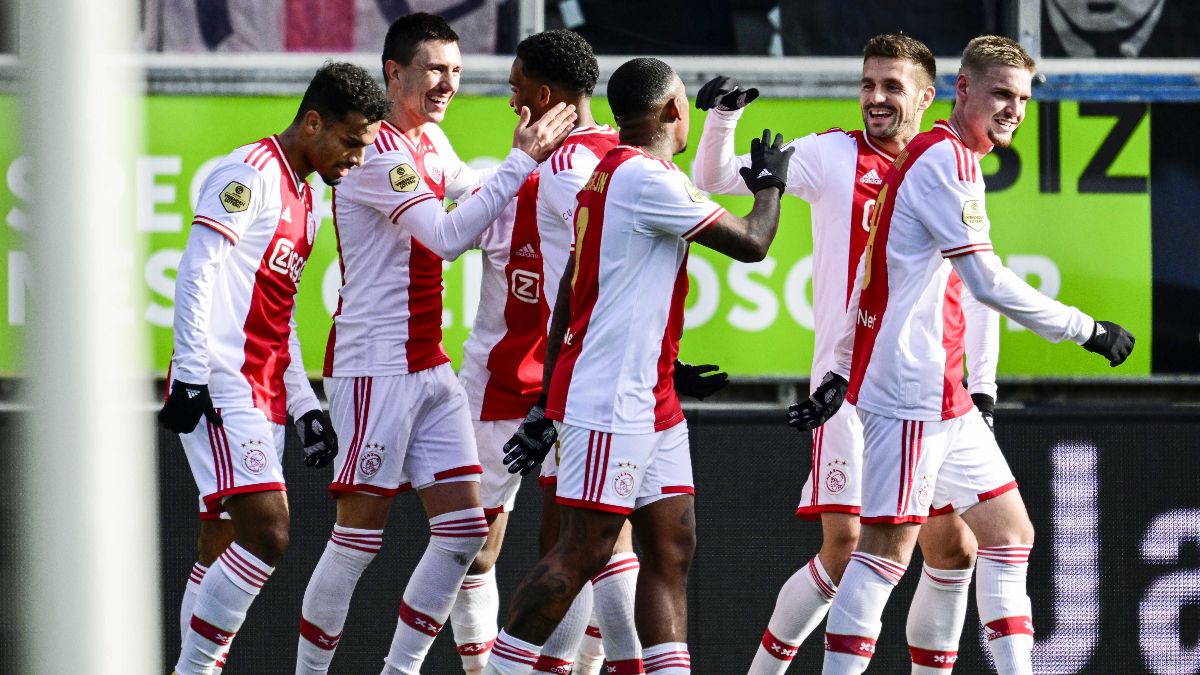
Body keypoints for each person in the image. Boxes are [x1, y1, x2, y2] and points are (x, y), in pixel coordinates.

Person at [789, 35, 1134, 674]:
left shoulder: (956, 159)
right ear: (962, 91)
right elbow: (986, 283)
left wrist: (849, 367)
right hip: (910, 390)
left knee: (1009, 536)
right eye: (1002, 94)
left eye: (1023, 99)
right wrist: (1086, 330)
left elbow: (877, 274)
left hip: (944, 392)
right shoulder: (942, 161)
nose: (1014, 110)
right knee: (883, 556)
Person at [692, 34, 995, 673]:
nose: (877, 98)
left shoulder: (950, 164)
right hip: (849, 388)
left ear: (927, 96)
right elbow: (715, 180)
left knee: (954, 549)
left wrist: (984, 387)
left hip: (929, 390)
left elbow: (974, 284)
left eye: (892, 86)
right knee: (849, 545)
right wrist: (722, 120)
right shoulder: (833, 154)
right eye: (868, 84)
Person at [482, 56, 790, 675]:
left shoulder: (612, 172)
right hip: (611, 400)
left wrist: (558, 392)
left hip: (651, 399)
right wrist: (769, 185)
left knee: (671, 550)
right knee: (582, 550)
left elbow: (573, 286)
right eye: (684, 109)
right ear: (675, 111)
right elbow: (754, 243)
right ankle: (505, 667)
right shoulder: (648, 179)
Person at [293, 13, 576, 675]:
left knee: (464, 533)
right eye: (434, 70)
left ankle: (406, 669)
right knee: (356, 541)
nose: (449, 82)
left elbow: (476, 193)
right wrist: (519, 162)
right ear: (395, 74)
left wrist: (548, 177)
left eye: (455, 69)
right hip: (374, 368)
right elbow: (447, 238)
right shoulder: (378, 149)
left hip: (429, 366)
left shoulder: (429, 141)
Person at [160, 61, 390, 675]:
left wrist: (305, 404)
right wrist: (188, 373)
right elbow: (197, 269)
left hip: (264, 390)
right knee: (269, 533)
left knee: (222, 542)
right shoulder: (249, 173)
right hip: (221, 380)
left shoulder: (307, 198)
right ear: (312, 121)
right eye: (349, 142)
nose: (356, 159)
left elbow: (278, 311)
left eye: (366, 147)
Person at [449, 29, 646, 675]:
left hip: (553, 381)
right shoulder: (587, 161)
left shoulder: (573, 170)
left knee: (578, 543)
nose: (510, 101)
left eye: (513, 89)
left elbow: (588, 292)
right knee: (556, 543)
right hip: (519, 376)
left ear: (539, 93)